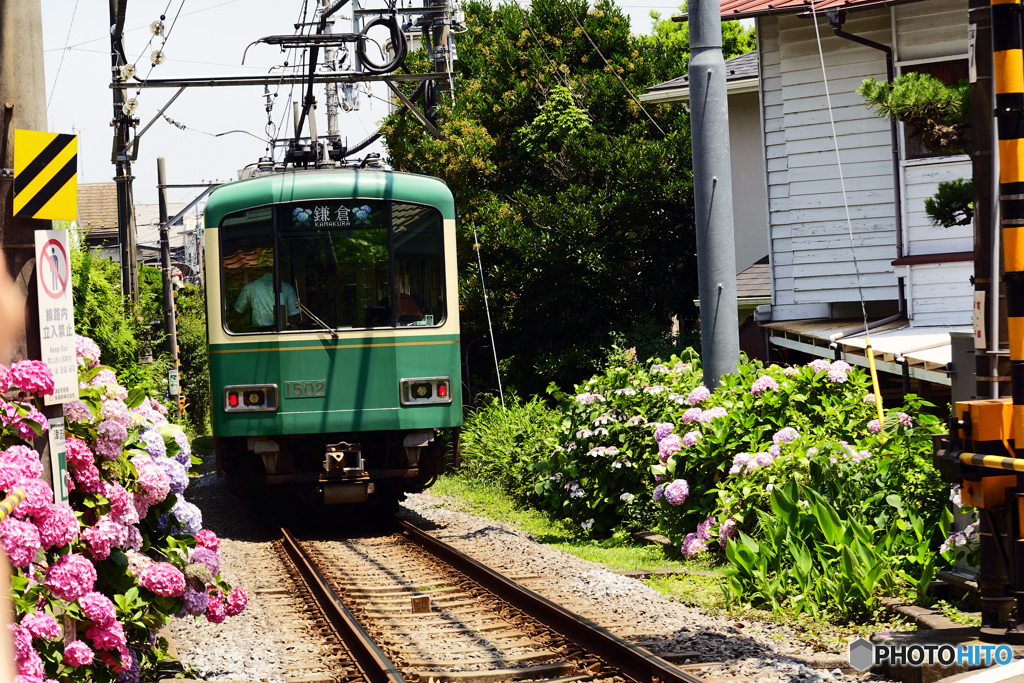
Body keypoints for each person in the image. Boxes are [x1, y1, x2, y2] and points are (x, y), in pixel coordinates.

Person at [233, 270, 299, 329]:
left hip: (257, 332)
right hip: (280, 331)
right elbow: (292, 316)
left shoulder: (250, 287)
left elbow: (238, 312)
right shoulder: (287, 287)